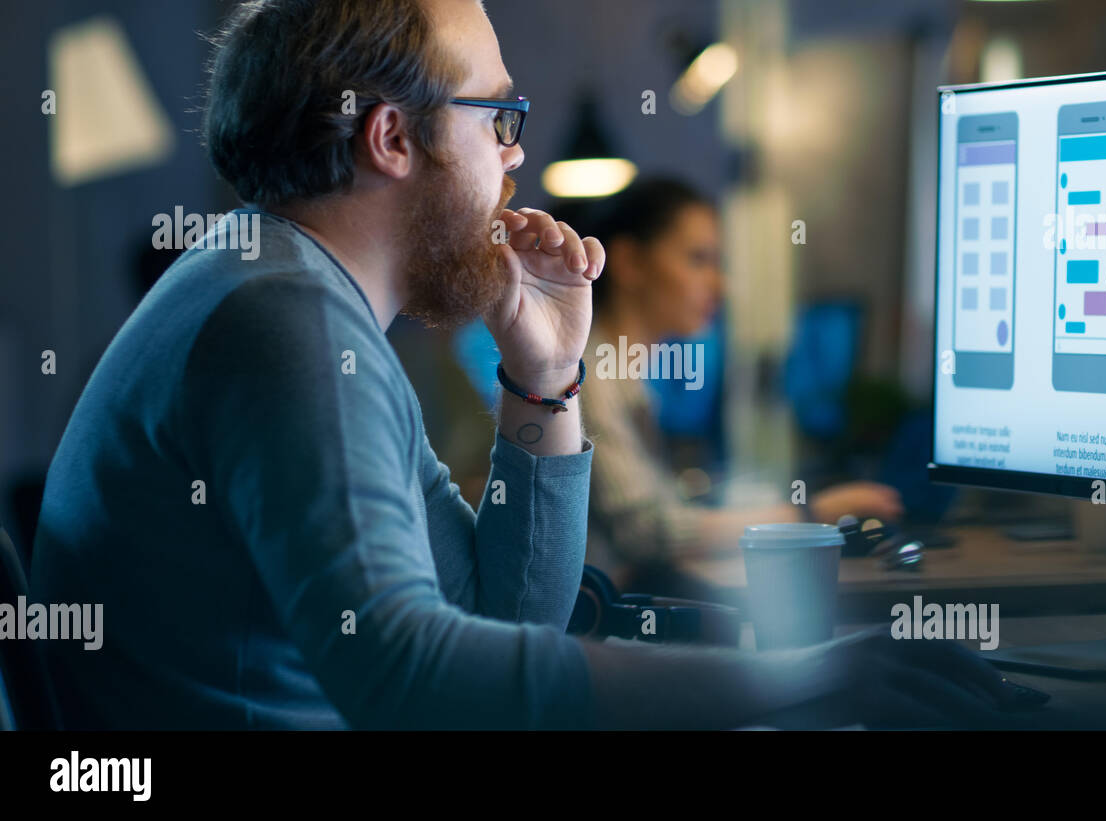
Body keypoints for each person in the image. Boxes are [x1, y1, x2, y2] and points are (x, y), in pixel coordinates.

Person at [31, 0, 1011, 730]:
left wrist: (542, 378)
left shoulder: (299, 295)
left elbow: (500, 613)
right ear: (391, 136)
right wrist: (800, 673)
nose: (515, 156)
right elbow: (415, 681)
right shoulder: (281, 316)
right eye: (497, 117)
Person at [578, 178, 904, 592]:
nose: (720, 285)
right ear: (628, 263)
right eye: (698, 259)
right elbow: (648, 533)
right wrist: (812, 512)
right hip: (590, 632)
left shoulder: (625, 375)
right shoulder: (590, 375)